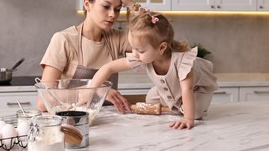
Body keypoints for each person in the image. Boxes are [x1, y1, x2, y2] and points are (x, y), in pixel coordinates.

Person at [89, 11, 218, 130]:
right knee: (151, 98)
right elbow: (109, 67)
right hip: (173, 90)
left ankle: (182, 110)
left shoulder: (182, 61)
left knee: (195, 113)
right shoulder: (144, 56)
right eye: (133, 48)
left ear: (162, 48)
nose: (135, 54)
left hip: (196, 89)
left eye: (140, 50)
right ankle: (176, 108)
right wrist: (91, 90)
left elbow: (186, 89)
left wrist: (188, 119)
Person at [37, 0, 142, 113]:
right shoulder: (64, 40)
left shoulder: (117, 38)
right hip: (73, 122)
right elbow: (43, 101)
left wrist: (130, 3)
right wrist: (97, 90)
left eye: (117, 9)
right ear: (87, 4)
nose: (112, 14)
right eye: (106, 7)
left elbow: (156, 41)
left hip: (111, 122)